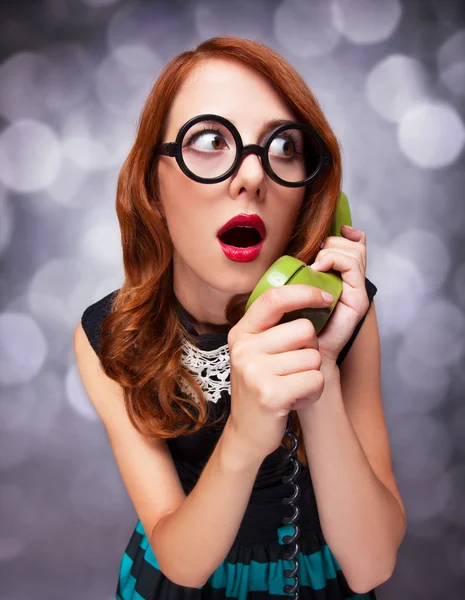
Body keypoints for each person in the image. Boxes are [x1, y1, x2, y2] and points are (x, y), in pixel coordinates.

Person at [74, 36, 406, 600]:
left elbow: (372, 565)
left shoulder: (344, 309)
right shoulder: (111, 335)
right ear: (152, 185)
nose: (253, 177)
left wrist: (318, 361)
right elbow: (181, 561)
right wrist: (247, 435)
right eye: (209, 140)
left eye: (283, 148)